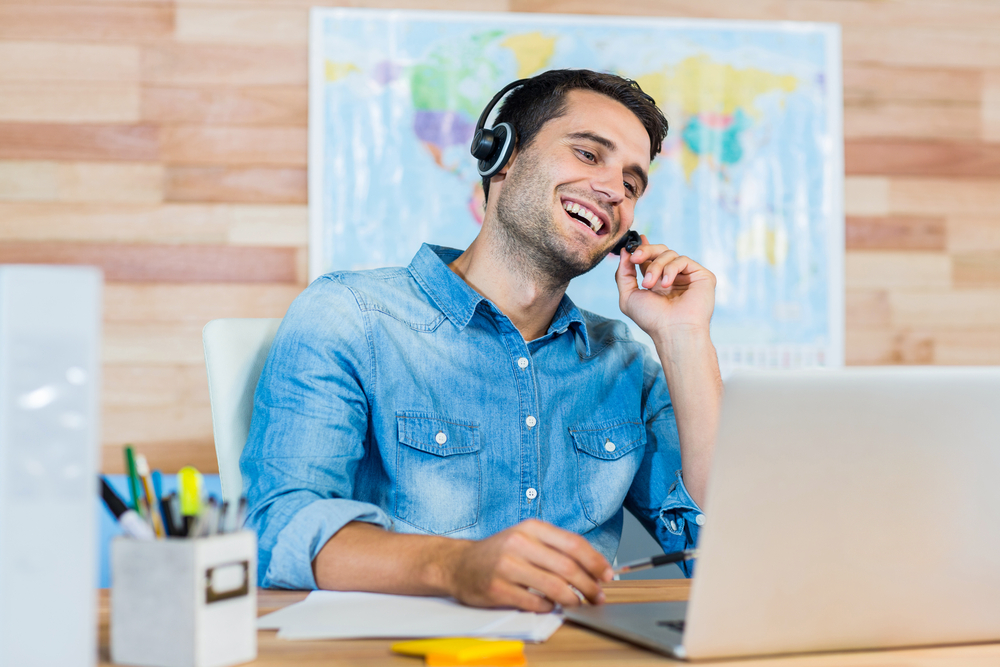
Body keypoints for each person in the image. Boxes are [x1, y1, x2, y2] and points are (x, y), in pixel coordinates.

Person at [241, 69, 722, 612]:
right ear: (504, 155)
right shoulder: (352, 317)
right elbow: (276, 532)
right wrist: (455, 567)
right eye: (588, 155)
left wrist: (684, 338)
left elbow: (721, 549)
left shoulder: (623, 362)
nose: (613, 190)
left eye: (632, 185)